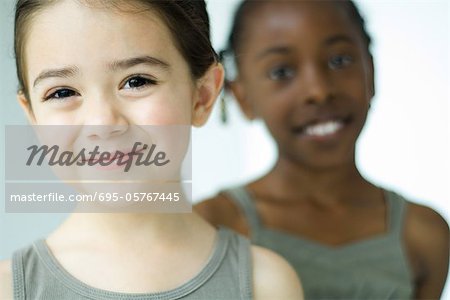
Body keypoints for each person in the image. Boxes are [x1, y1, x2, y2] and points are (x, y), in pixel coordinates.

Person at [0, 0, 303, 299]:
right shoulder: (8, 290)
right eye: (62, 92)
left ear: (202, 96)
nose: (103, 123)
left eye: (136, 81)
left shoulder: (265, 285)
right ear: (33, 117)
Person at [195, 0, 449, 299]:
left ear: (372, 70)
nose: (319, 90)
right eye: (281, 72)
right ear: (242, 97)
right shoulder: (210, 227)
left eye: (339, 60)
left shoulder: (423, 234)